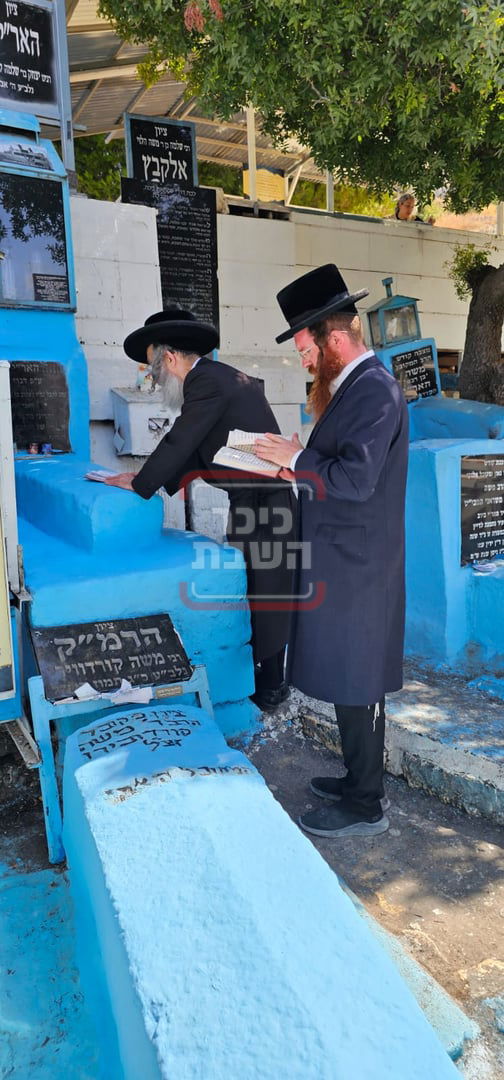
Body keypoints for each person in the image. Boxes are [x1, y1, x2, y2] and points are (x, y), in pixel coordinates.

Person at [255, 264, 409, 839]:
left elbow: (355, 480)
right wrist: (293, 454)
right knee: (349, 676)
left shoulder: (374, 390)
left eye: (306, 351)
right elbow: (336, 467)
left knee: (360, 679)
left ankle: (367, 804)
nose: (305, 361)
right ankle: (355, 779)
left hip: (361, 568)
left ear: (334, 340)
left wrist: (295, 460)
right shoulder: (351, 388)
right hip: (345, 560)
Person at [105, 308, 295, 712]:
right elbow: (196, 449)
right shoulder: (220, 378)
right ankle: (267, 679)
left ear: (170, 359)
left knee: (268, 594)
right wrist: (158, 482)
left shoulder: (206, 380)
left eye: (156, 370)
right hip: (253, 500)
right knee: (255, 590)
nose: (156, 381)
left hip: (264, 502)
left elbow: (181, 440)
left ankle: (273, 687)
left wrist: (141, 484)